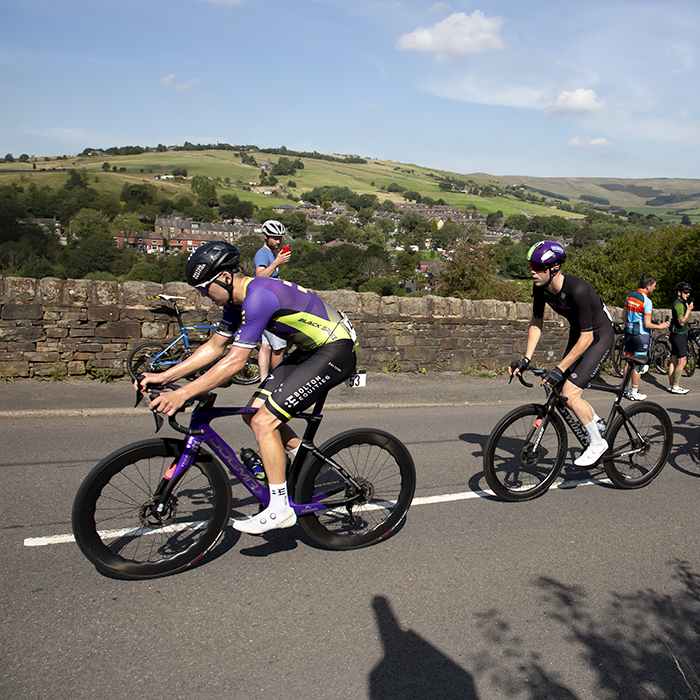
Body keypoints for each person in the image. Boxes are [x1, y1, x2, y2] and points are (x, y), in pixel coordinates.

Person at [136, 241, 358, 535]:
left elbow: (236, 361)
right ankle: (319, 473)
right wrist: (164, 377)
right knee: (252, 413)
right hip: (310, 350)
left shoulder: (258, 296)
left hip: (335, 350)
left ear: (225, 278)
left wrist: (181, 394)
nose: (204, 295)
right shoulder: (234, 302)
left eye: (205, 288)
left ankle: (280, 509)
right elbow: (215, 347)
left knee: (265, 421)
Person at [509, 241, 613, 468]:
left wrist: (560, 368)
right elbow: (537, 322)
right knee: (558, 388)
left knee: (570, 392)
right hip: (579, 334)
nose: (532, 272)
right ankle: (595, 421)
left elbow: (587, 338)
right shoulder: (540, 287)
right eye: (531, 266)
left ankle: (597, 443)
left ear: (554, 268)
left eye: (538, 267)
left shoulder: (577, 289)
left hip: (598, 336)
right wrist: (526, 358)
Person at [623, 274, 670, 400]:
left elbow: (623, 317)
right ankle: (634, 392)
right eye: (654, 286)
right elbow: (648, 324)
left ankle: (624, 389)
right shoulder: (647, 301)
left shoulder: (629, 296)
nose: (654, 288)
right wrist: (662, 326)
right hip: (641, 335)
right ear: (648, 285)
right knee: (638, 365)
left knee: (628, 361)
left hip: (629, 332)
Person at [254, 220, 291, 380]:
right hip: (269, 307)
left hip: (264, 305)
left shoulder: (269, 253)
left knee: (266, 346)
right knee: (279, 348)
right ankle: (278, 381)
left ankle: (264, 381)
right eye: (275, 238)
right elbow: (259, 275)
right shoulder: (263, 253)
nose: (278, 241)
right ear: (265, 236)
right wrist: (277, 262)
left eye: (280, 238)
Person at [668, 281, 694, 394]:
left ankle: (671, 385)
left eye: (689, 293)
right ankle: (676, 386)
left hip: (674, 334)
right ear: (679, 293)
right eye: (685, 292)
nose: (688, 295)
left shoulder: (679, 303)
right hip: (679, 335)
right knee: (682, 361)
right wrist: (688, 310)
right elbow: (681, 322)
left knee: (674, 360)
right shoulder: (679, 305)